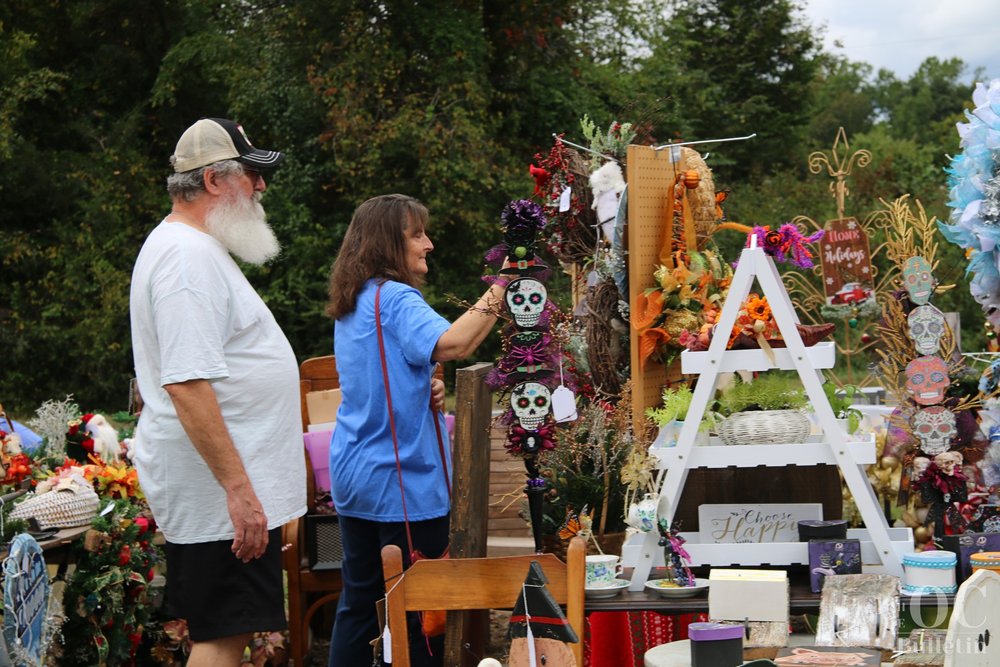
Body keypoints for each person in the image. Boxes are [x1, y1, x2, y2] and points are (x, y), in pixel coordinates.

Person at [129, 118, 306, 666]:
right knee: (221, 638)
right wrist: (238, 492)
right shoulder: (186, 259)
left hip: (225, 491)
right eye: (252, 174)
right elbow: (186, 385)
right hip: (220, 496)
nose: (261, 187)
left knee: (228, 632)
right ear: (212, 181)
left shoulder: (194, 249)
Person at [325, 194, 510, 666]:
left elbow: (385, 369)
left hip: (355, 474)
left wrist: (423, 385)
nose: (428, 244)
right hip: (399, 481)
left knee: (361, 604)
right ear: (389, 242)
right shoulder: (396, 297)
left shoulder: (357, 297)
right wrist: (505, 283)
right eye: (416, 234)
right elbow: (456, 342)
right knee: (418, 615)